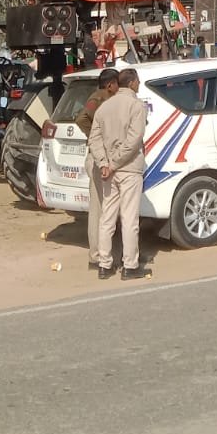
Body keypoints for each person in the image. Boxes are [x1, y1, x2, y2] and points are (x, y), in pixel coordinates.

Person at [88, 66, 149, 280]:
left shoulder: (104, 108)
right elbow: (134, 140)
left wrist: (104, 162)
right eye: (138, 82)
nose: (139, 85)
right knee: (129, 218)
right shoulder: (137, 106)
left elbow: (94, 139)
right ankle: (129, 266)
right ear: (131, 83)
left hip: (109, 170)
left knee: (107, 218)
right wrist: (113, 163)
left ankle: (104, 265)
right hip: (128, 168)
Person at [74, 67, 120, 271]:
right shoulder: (100, 98)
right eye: (117, 84)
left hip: (102, 156)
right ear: (110, 85)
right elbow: (82, 118)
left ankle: (101, 254)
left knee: (103, 208)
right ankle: (98, 256)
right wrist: (96, 137)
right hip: (99, 158)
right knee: (100, 209)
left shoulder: (105, 98)